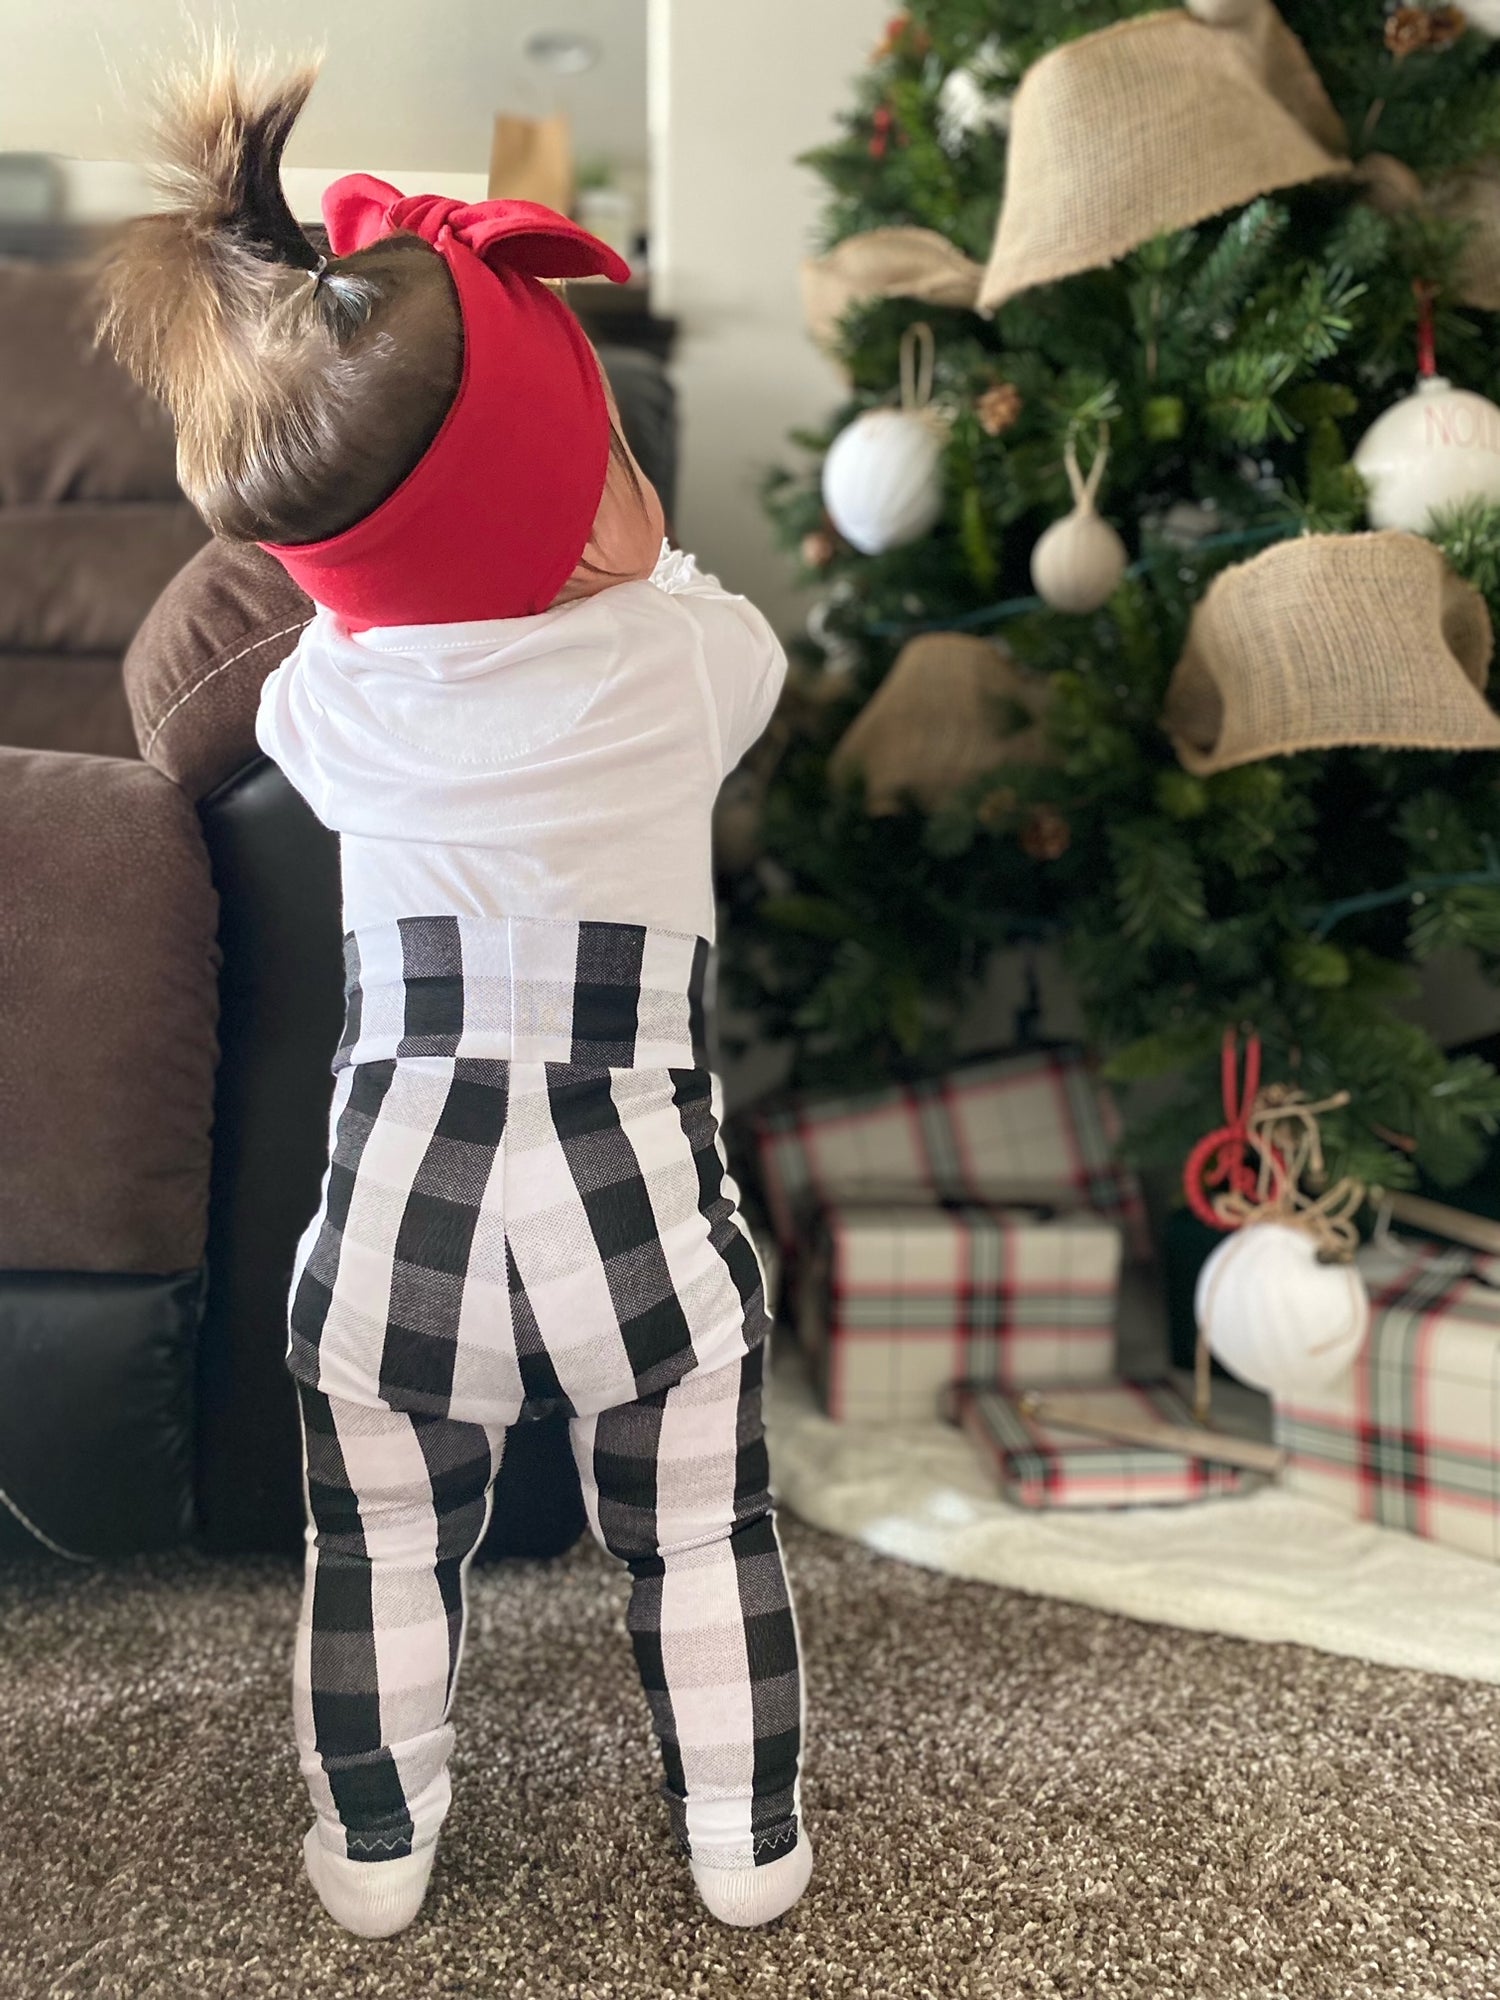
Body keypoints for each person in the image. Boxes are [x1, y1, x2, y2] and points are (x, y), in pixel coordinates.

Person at [100, 48, 808, 1940]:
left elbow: (339, 651)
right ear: (592, 522)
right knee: (698, 1529)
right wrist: (632, 571)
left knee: (385, 1539)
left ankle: (381, 1845)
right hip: (629, 1196)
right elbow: (727, 636)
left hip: (403, 1193)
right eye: (626, 465)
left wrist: (405, 578)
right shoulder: (687, 668)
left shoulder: (332, 698)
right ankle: (743, 1837)